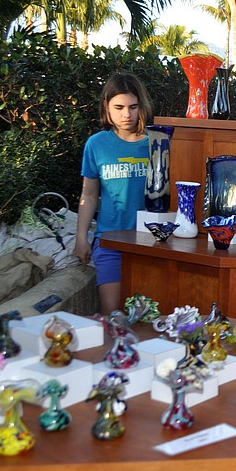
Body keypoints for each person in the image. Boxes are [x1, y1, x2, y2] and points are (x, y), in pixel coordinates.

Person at [75, 73, 152, 314]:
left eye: (132, 107)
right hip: (110, 242)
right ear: (106, 107)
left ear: (142, 106)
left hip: (150, 243)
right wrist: (81, 238)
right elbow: (89, 193)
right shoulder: (96, 144)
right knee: (113, 317)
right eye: (118, 107)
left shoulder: (157, 142)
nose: (126, 115)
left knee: (148, 318)